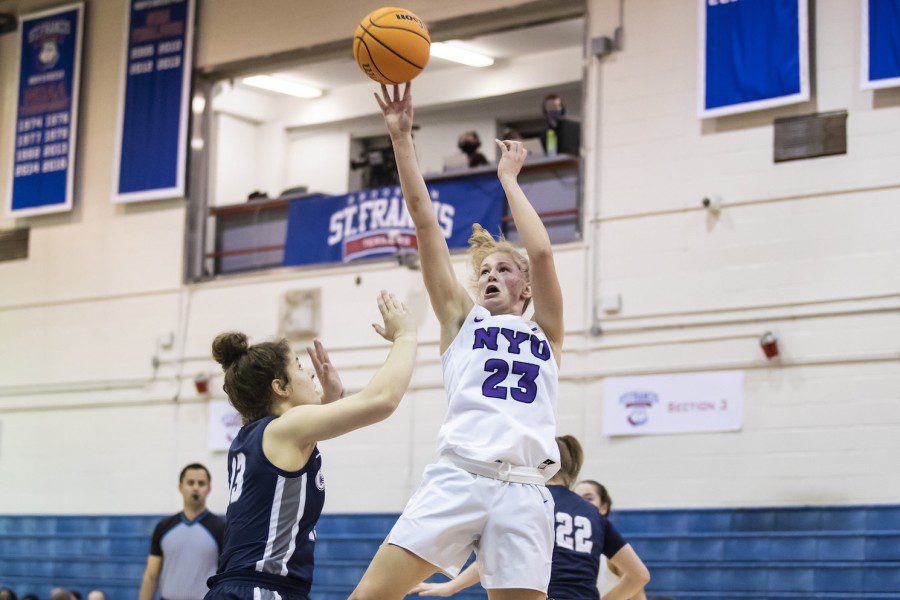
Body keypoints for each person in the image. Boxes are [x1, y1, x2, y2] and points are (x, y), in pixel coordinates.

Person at [350, 83, 565, 600]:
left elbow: (543, 255)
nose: (490, 276)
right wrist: (402, 139)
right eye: (484, 270)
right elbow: (425, 222)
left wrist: (510, 182)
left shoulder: (547, 331)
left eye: (504, 270)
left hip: (527, 489)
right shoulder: (462, 322)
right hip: (461, 476)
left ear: (526, 288)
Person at [204, 291, 417, 600]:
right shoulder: (285, 430)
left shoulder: (254, 438)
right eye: (300, 368)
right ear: (280, 387)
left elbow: (305, 442)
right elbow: (382, 400)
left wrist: (330, 398)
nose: (310, 374)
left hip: (248, 587)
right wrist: (406, 335)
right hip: (260, 589)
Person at [410, 436, 651, 600]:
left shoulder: (534, 500)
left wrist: (451, 586)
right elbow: (640, 575)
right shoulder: (593, 514)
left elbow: (497, 556)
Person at [139, 463, 225, 600]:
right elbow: (150, 575)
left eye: (201, 483)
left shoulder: (221, 528)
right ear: (180, 487)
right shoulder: (163, 527)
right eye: (190, 483)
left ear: (209, 488)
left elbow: (226, 577)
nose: (196, 487)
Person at [576, 480, 649, 600]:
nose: (581, 504)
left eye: (588, 498)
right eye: (576, 499)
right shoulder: (563, 551)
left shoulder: (614, 555)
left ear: (603, 507)